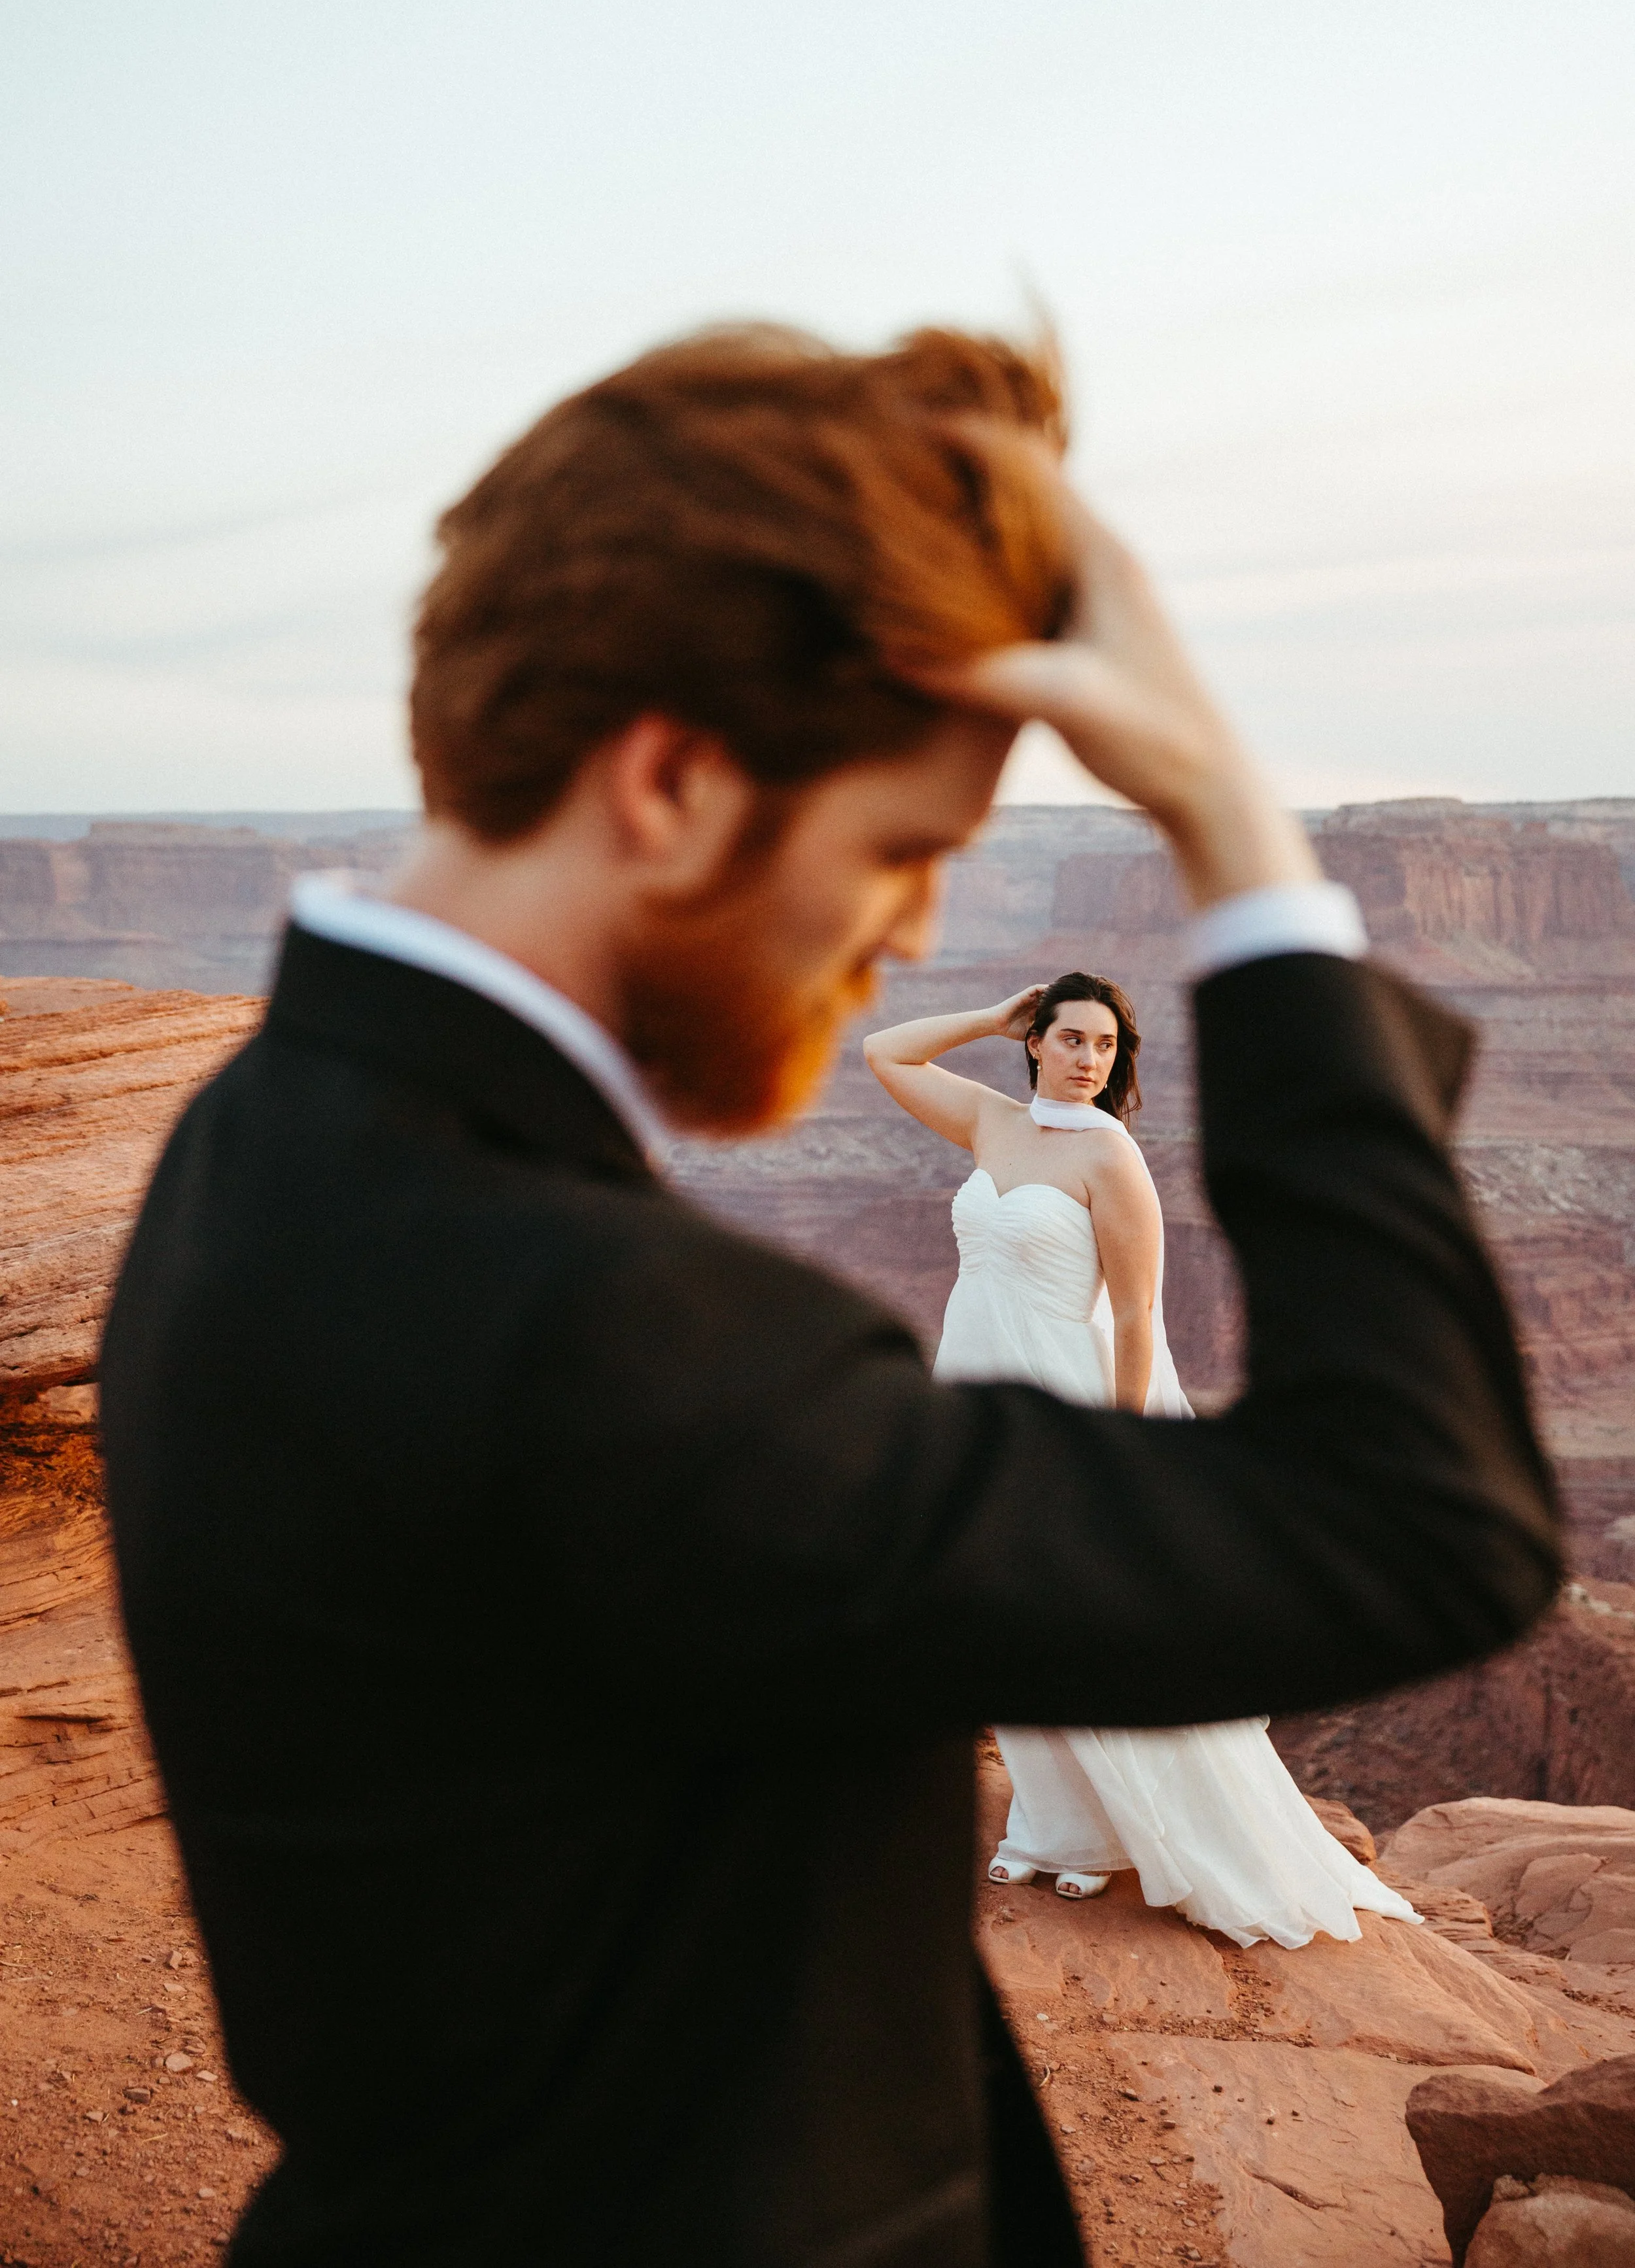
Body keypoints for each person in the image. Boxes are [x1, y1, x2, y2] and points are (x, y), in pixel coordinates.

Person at [99, 324, 1560, 2268]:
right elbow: (1426, 1521)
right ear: (679, 780)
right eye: (903, 843)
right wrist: (1234, 830)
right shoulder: (617, 1336)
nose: (917, 922)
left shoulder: (254, 1148)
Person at [866, 969, 1423, 1947]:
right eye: (1071, 1038)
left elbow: (1135, 1317)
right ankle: (1054, 1823)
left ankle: (1113, 1840)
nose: (1088, 1060)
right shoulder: (995, 1123)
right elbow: (884, 1052)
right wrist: (990, 1015)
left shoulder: (1112, 1159)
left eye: (1106, 1047)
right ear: (1036, 1040)